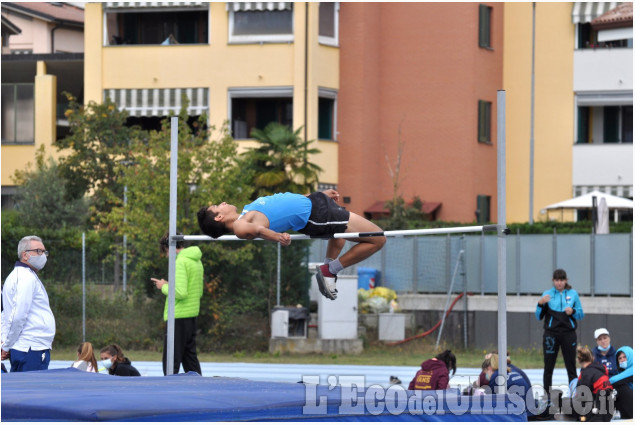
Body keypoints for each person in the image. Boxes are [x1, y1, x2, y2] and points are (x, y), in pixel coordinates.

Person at [197, 189, 386, 300]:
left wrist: (316, 195)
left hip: (315, 205)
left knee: (339, 235)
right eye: (217, 207)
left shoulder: (246, 211)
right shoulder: (239, 225)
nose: (222, 203)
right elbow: (258, 231)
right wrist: (277, 236)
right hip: (316, 216)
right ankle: (330, 270)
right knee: (377, 238)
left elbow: (284, 203)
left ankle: (328, 270)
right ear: (219, 217)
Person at [151, 232, 203, 376]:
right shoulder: (195, 260)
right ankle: (199, 387)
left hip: (178, 316)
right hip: (191, 314)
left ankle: (168, 391)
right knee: (189, 359)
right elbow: (195, 290)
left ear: (170, 248)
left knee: (170, 360)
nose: (167, 256)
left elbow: (180, 293)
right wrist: (170, 284)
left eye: (166, 252)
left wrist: (163, 286)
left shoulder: (180, 261)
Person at [1, 236, 56, 372]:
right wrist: (7, 345)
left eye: (44, 252)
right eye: (38, 251)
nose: (43, 255)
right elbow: (18, 315)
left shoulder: (26, 275)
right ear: (25, 255)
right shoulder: (24, 277)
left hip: (30, 347)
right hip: (30, 348)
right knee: (33, 392)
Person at [535, 268, 583, 392]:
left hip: (568, 334)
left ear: (566, 280)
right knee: (548, 367)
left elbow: (581, 314)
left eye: (561, 280)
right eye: (556, 280)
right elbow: (538, 316)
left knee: (571, 367)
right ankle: (547, 397)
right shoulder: (547, 294)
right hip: (551, 335)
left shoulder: (573, 294)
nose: (559, 283)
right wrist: (540, 303)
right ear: (553, 281)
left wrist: (573, 311)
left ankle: (574, 396)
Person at [482, 354, 535, 418]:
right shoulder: (512, 371)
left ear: (489, 368)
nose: (486, 376)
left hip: (521, 415)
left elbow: (486, 400)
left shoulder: (496, 375)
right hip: (530, 411)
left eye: (486, 373)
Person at [573, 346, 614, 422]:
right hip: (609, 413)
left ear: (579, 360)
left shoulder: (586, 374)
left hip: (598, 414)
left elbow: (582, 398)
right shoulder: (599, 369)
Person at [609, 346, 633, 419]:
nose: (622, 360)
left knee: (619, 387)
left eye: (625, 357)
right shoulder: (620, 373)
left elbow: (612, 381)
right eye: (620, 358)